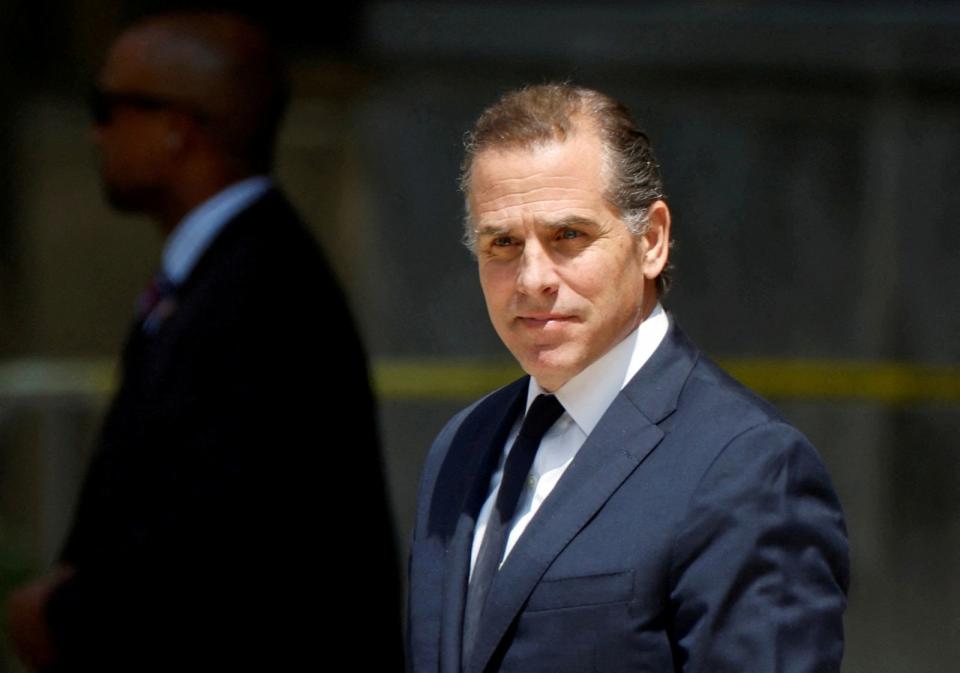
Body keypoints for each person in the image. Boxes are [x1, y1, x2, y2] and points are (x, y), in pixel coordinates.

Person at [7, 12, 402, 672]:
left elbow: (217, 553)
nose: (94, 132)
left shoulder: (261, 296)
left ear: (176, 128)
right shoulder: (225, 272)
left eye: (109, 107)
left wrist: (61, 617)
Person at [407, 83, 849, 673]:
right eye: (503, 244)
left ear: (652, 241)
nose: (532, 277)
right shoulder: (461, 447)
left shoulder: (751, 468)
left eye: (569, 236)